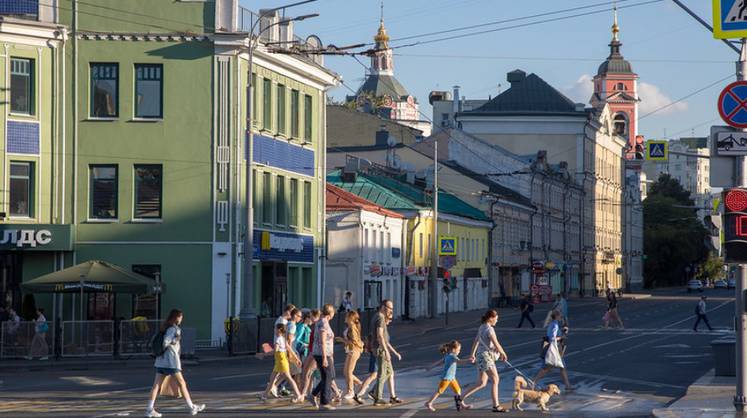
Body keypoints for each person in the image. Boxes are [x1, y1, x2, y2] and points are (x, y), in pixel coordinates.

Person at [145, 309, 205, 418]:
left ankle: (149, 409)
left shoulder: (165, 327)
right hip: (170, 361)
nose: (182, 319)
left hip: (161, 361)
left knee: (156, 386)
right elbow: (166, 342)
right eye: (181, 317)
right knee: (182, 384)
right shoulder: (174, 329)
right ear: (177, 317)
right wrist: (175, 339)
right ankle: (192, 407)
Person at [461, 309, 509, 413]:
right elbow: (496, 343)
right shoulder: (490, 329)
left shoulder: (482, 327)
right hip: (485, 356)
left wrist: (472, 354)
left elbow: (476, 341)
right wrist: (503, 353)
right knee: (495, 379)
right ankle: (496, 406)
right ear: (491, 318)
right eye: (496, 319)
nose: (497, 321)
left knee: (482, 382)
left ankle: (460, 397)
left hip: (480, 355)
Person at [424, 340, 473, 412]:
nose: (459, 351)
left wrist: (431, 366)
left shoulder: (448, 355)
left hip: (452, 378)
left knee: (458, 390)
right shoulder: (452, 356)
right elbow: (460, 362)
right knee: (439, 391)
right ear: (453, 349)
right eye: (458, 350)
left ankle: (462, 405)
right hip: (446, 378)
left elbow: (440, 362)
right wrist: (469, 360)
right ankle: (429, 403)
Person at [260, 323, 304, 403]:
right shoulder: (283, 338)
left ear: (279, 330)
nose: (274, 330)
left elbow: (275, 351)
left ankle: (298, 394)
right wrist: (297, 359)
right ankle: (264, 395)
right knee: (272, 379)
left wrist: (264, 354)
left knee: (289, 378)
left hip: (281, 362)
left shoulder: (278, 339)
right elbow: (289, 349)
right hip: (280, 361)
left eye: (275, 329)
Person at [532, 310, 573, 392]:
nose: (561, 317)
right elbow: (552, 338)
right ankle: (533, 382)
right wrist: (561, 337)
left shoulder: (553, 324)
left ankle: (568, 385)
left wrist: (562, 332)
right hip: (553, 349)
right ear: (557, 316)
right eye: (560, 316)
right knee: (546, 368)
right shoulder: (555, 325)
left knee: (562, 367)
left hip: (553, 348)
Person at [371, 299, 401, 406]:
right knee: (382, 373)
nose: (391, 311)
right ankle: (378, 397)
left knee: (389, 372)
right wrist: (386, 351)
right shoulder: (380, 317)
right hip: (380, 348)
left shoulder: (376, 316)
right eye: (390, 308)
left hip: (378, 347)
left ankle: (376, 392)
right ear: (383, 307)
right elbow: (380, 335)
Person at [311, 304, 336, 410]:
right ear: (330, 313)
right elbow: (322, 341)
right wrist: (325, 357)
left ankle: (313, 394)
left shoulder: (322, 322)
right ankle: (324, 402)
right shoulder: (324, 323)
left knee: (331, 375)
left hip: (323, 353)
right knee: (327, 376)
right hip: (322, 353)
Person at [338, 310, 364, 404]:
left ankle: (351, 391)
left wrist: (342, 340)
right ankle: (361, 384)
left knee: (348, 372)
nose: (345, 317)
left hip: (354, 351)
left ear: (350, 318)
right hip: (350, 350)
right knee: (346, 372)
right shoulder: (350, 327)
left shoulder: (352, 328)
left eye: (347, 316)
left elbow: (353, 343)